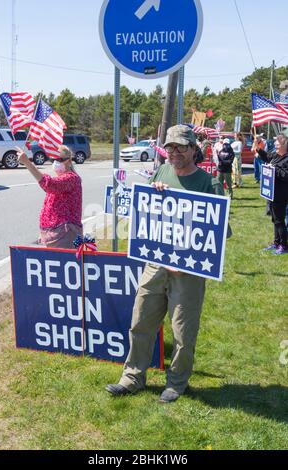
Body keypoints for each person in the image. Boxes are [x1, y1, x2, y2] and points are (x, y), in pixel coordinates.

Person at [106, 125, 226, 404]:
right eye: (170, 147)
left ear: (194, 149)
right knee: (140, 321)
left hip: (188, 272)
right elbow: (146, 213)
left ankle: (176, 383)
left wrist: (188, 260)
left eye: (181, 147)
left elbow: (218, 233)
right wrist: (155, 190)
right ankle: (132, 377)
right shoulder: (161, 172)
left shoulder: (209, 183)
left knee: (183, 331)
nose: (174, 152)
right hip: (155, 264)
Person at [17, 145, 83, 248]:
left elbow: (49, 184)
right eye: (53, 160)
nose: (56, 162)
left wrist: (27, 163)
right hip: (51, 234)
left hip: (64, 235)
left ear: (69, 161)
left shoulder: (72, 178)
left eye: (59, 159)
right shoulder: (61, 179)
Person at [258, 134, 288, 255]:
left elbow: (286, 175)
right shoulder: (276, 155)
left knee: (280, 221)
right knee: (275, 220)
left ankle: (284, 246)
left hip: (281, 194)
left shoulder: (287, 159)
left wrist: (274, 169)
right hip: (271, 193)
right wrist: (259, 148)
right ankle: (276, 242)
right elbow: (267, 157)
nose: (275, 145)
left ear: (284, 146)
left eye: (277, 144)